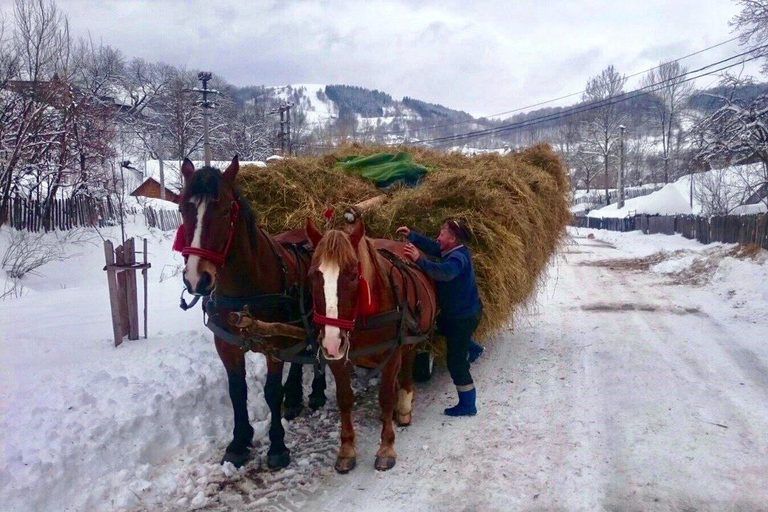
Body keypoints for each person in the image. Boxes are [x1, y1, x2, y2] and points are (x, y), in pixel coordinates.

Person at [398, 220, 482, 417]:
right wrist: (412, 236)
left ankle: (468, 405)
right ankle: (474, 347)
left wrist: (419, 260)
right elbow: (434, 247)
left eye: (442, 234)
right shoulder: (451, 250)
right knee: (439, 327)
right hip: (456, 315)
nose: (438, 237)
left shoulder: (458, 258)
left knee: (456, 362)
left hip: (463, 317)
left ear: (452, 239)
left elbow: (444, 273)